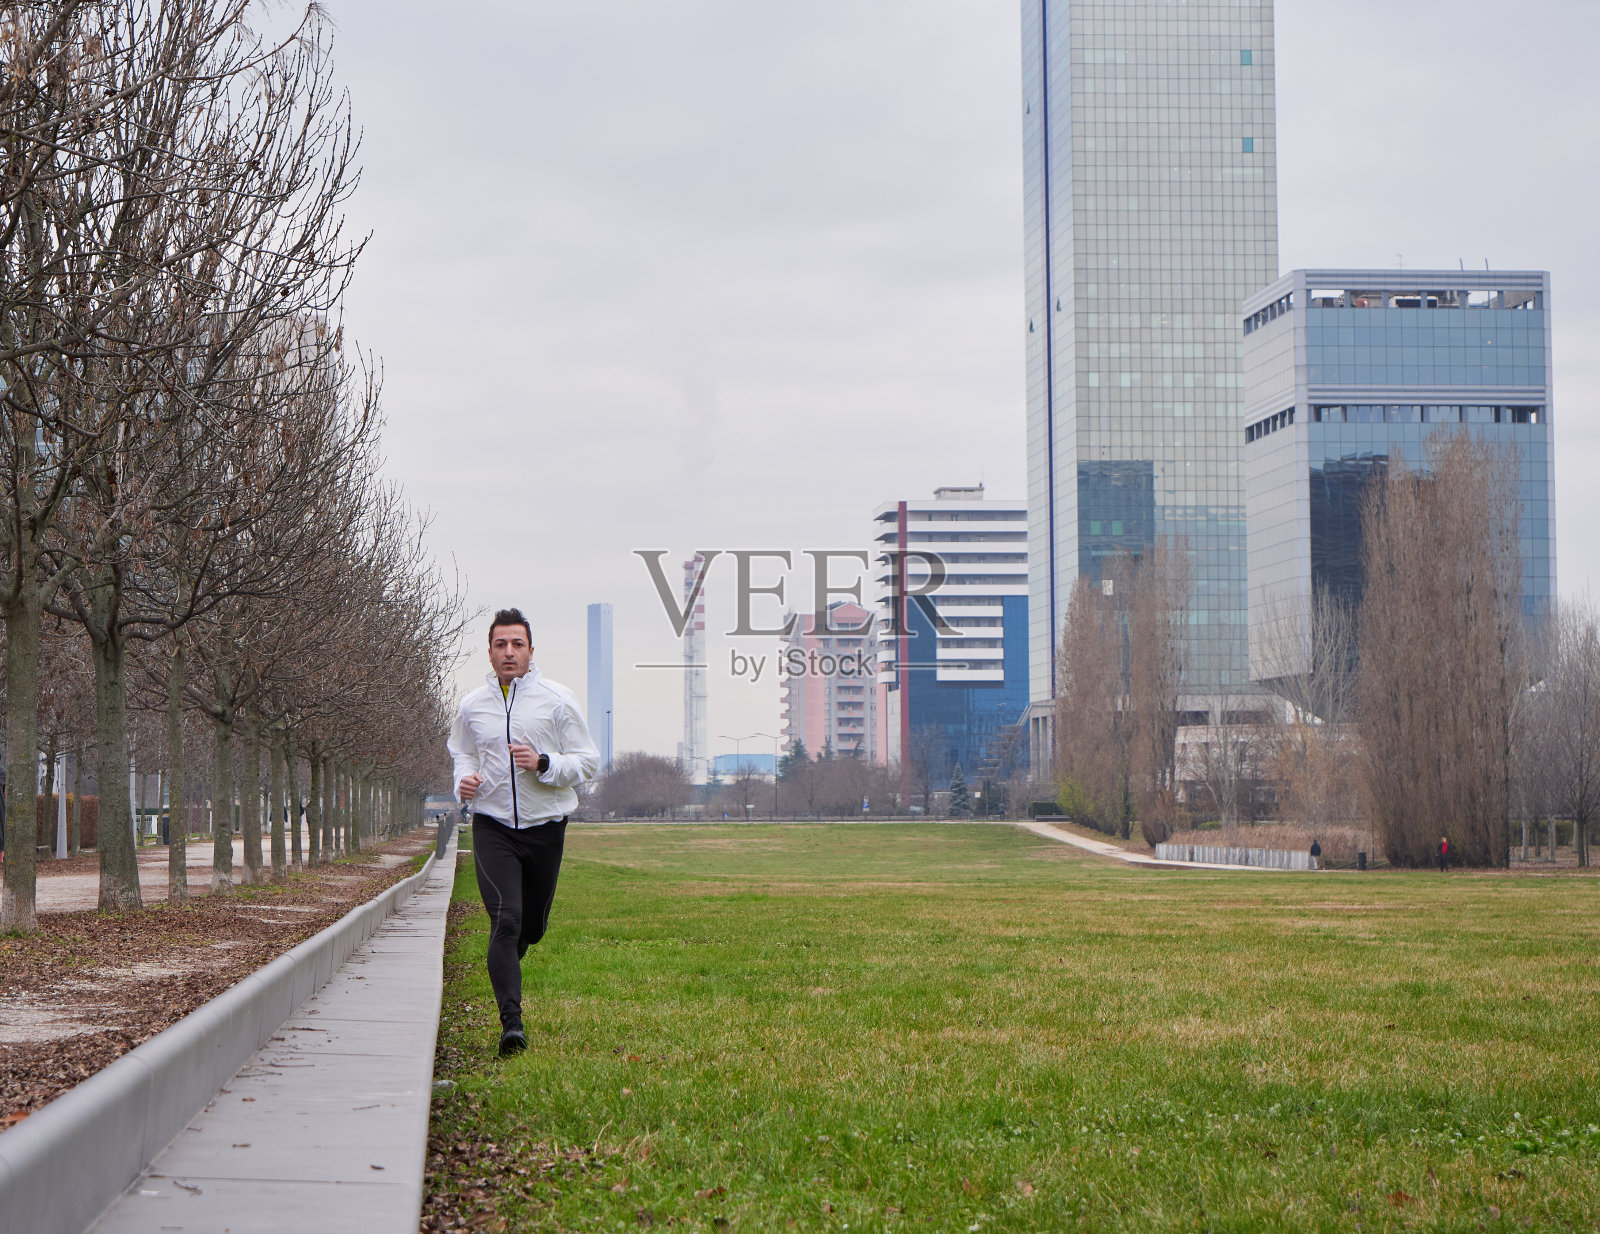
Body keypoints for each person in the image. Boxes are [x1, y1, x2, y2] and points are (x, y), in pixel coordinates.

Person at [448, 608, 600, 1057]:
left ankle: (520, 947)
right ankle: (511, 1025)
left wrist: (545, 763)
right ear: (490, 652)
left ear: (531, 651)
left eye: (517, 644)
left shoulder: (557, 699)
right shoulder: (473, 705)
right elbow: (461, 751)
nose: (509, 652)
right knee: (505, 919)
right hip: (493, 825)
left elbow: (588, 761)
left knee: (530, 927)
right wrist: (465, 779)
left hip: (546, 828)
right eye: (500, 644)